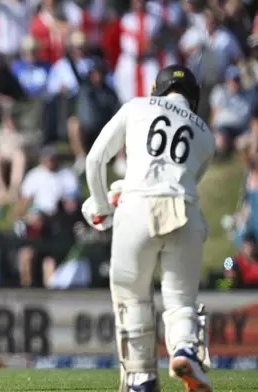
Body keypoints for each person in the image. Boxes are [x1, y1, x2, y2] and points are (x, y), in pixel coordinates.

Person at [81, 65, 215, 392]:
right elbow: (174, 180)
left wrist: (100, 205)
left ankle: (141, 378)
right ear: (193, 99)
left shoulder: (137, 106)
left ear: (158, 88)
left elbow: (95, 160)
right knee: (181, 300)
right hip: (186, 212)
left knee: (132, 296)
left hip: (137, 208)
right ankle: (185, 350)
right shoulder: (206, 135)